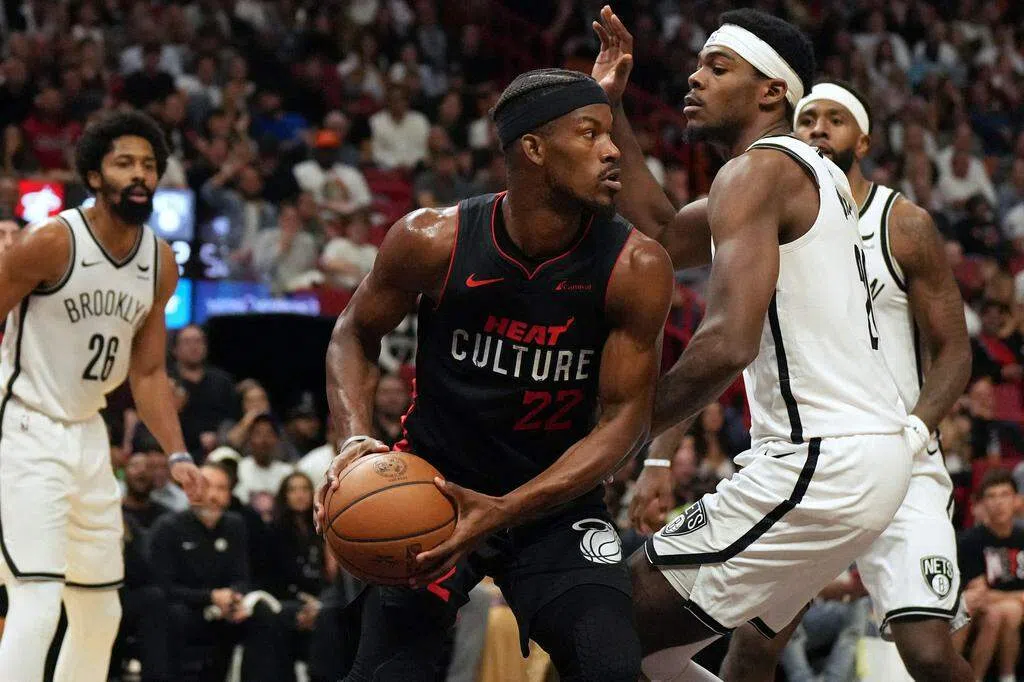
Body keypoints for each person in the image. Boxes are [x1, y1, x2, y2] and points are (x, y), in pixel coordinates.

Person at [589, 8, 927, 680]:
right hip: (858, 464)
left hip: (822, 463)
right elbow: (663, 230)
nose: (694, 77)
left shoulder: (759, 172)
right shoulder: (806, 174)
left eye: (718, 68)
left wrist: (616, 432)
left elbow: (726, 344)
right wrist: (613, 109)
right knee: (657, 659)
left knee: (603, 628)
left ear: (772, 91)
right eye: (698, 65)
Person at [315, 67, 674, 681]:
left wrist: (506, 508)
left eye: (611, 133)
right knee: (386, 673)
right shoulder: (432, 240)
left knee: (611, 667)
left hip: (555, 503)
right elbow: (353, 333)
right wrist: (353, 442)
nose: (614, 149)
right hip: (434, 488)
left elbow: (624, 424)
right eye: (590, 133)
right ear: (533, 148)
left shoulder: (635, 265)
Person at [718, 80, 974, 682]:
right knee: (753, 648)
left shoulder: (903, 223)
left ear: (863, 140)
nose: (818, 128)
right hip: (812, 459)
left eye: (835, 119)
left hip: (901, 456)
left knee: (928, 655)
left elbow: (955, 351)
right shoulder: (772, 220)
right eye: (807, 118)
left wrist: (916, 431)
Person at [0, 111, 204, 681]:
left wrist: (178, 452)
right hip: (25, 425)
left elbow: (149, 373)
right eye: (124, 163)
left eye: (149, 165)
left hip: (89, 433)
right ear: (94, 176)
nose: (140, 175)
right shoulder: (51, 242)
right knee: (37, 603)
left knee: (99, 612)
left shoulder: (159, 262)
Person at [151, 463, 292, 682]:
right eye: (207, 486)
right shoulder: (168, 527)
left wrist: (234, 598)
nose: (213, 495)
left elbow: (242, 577)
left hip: (225, 609)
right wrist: (210, 597)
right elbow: (164, 587)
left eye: (222, 488)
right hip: (187, 607)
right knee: (172, 614)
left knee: (263, 615)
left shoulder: (235, 525)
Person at [956, 470, 1024, 682]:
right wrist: (1018, 597)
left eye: (1004, 495)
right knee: (1002, 613)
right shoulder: (970, 541)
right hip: (980, 611)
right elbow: (978, 594)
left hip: (1006, 608)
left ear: (1017, 500)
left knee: (1009, 611)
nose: (999, 502)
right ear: (982, 504)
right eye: (991, 496)